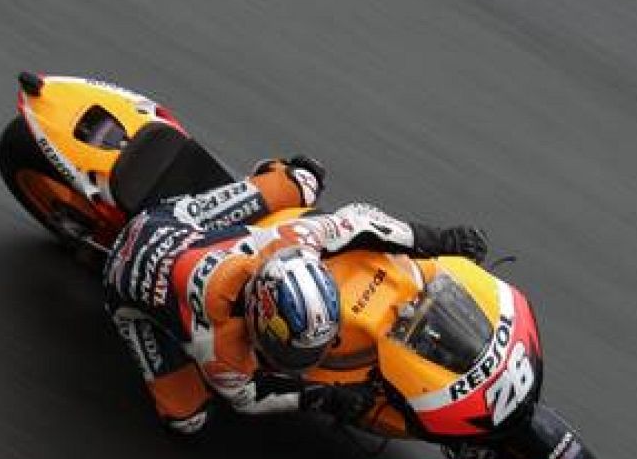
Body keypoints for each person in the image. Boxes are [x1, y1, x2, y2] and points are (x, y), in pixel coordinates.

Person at [103, 156, 488, 434]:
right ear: (256, 322)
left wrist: (441, 241)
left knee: (304, 178)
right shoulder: (216, 346)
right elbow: (251, 398)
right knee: (187, 419)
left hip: (182, 225)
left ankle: (271, 177)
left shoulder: (291, 244)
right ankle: (138, 315)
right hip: (128, 272)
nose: (306, 361)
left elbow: (359, 221)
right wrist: (322, 397)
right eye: (295, 353)